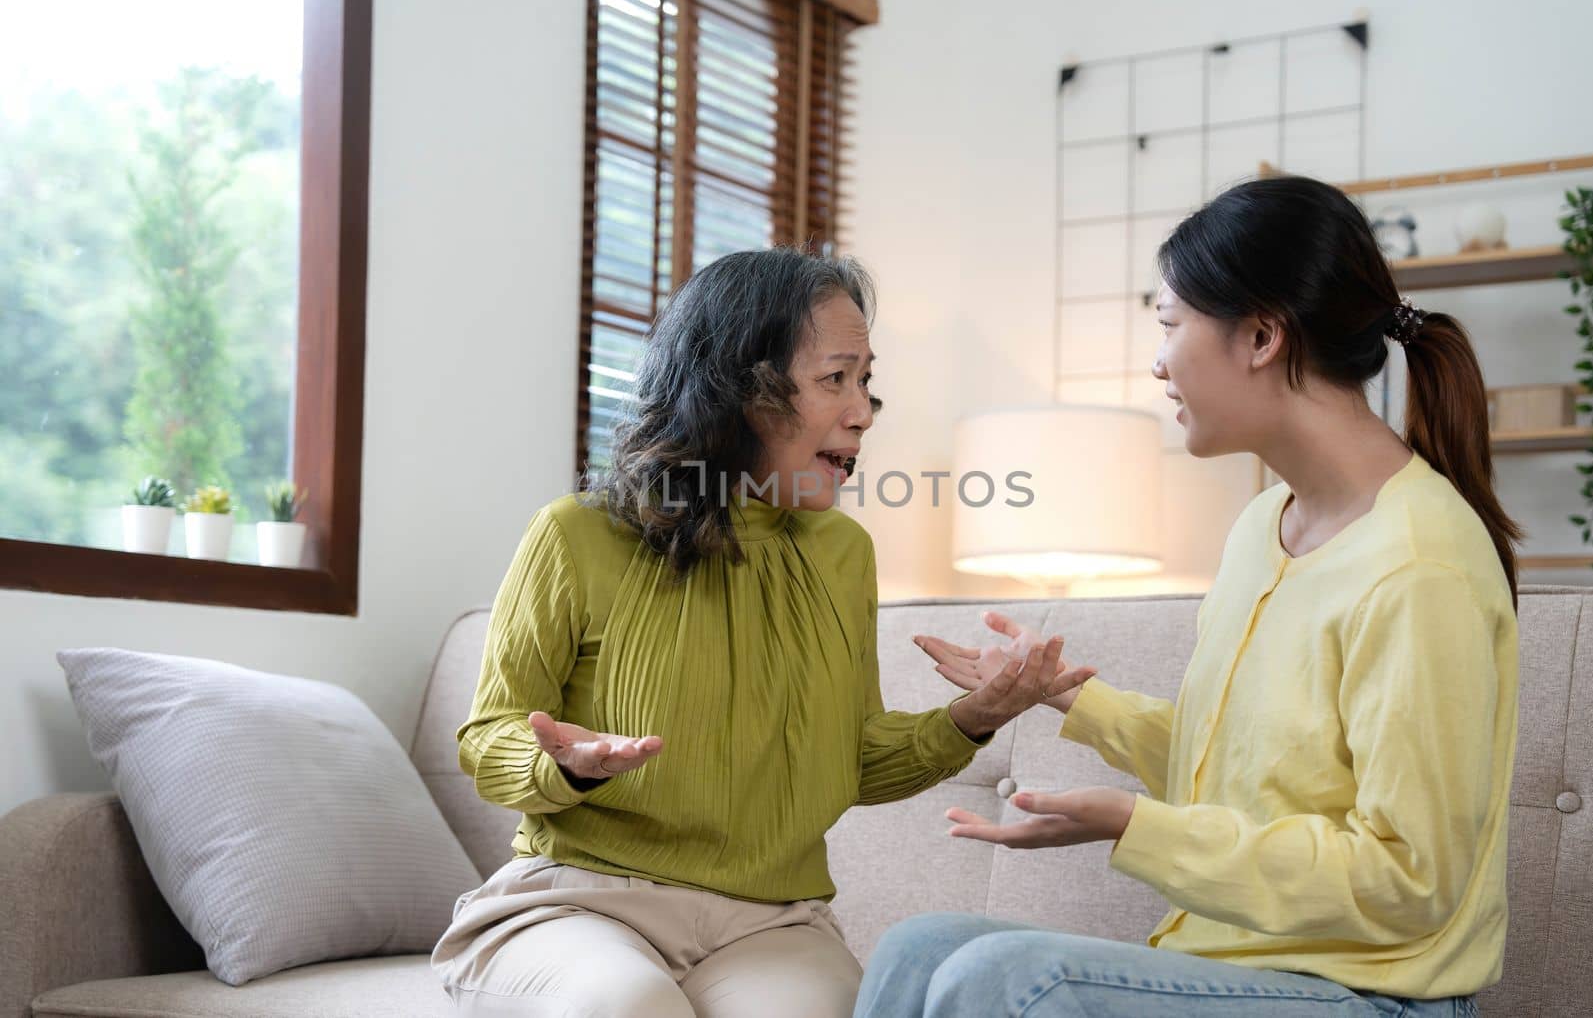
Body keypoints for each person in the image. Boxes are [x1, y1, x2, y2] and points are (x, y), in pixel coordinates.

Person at [860, 175, 1518, 1017]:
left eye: (1170, 324)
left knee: (1008, 980)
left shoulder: (1420, 564)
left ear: (1261, 335)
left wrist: (1138, 825)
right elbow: (1249, 775)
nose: (1158, 360)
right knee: (917, 948)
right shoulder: (1261, 528)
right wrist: (1072, 698)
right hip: (1234, 970)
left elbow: (1410, 878)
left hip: (1369, 995)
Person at [431, 247, 1095, 1017]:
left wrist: (971, 719)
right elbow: (487, 738)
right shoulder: (575, 534)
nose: (863, 412)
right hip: (582, 899)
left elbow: (848, 759)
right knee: (628, 1002)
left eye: (866, 382)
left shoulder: (844, 553)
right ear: (737, 387)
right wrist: (569, 766)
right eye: (835, 378)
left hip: (769, 919)